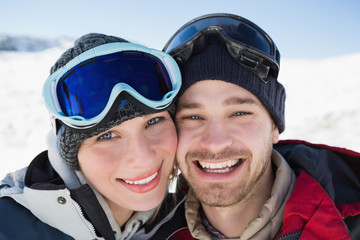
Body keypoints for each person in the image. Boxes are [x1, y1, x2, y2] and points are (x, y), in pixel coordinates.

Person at [154, 13, 360, 239]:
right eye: (193, 117)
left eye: (239, 113)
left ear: (274, 126)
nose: (215, 142)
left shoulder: (353, 224)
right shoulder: (150, 232)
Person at [0, 33, 183, 240]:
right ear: (72, 154)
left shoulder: (184, 222)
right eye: (107, 136)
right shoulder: (9, 225)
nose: (144, 158)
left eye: (153, 122)